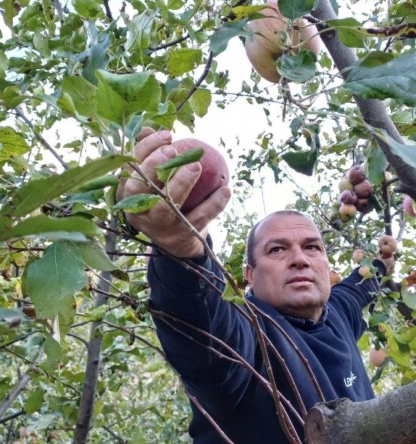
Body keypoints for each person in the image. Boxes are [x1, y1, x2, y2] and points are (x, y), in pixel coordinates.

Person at [117, 128, 387, 443]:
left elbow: (359, 285)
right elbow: (206, 328)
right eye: (277, 249)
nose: (299, 259)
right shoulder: (250, 332)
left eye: (312, 247)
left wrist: (381, 261)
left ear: (327, 267)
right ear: (250, 275)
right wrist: (182, 251)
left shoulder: (338, 313)